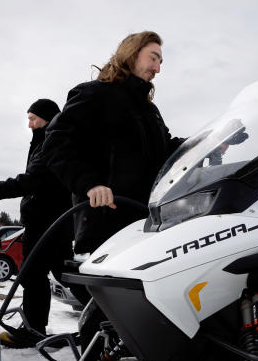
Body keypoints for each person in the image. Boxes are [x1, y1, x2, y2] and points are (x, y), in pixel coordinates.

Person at [40, 30, 184, 255]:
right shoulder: (94, 94)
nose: (158, 69)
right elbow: (54, 143)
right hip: (103, 224)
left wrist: (207, 142)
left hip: (146, 225)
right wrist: (89, 184)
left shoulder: (149, 111)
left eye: (160, 62)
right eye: (153, 58)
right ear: (131, 54)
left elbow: (167, 150)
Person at [0, 99, 72, 348]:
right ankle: (36, 328)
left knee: (37, 274)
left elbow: (30, 181)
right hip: (47, 221)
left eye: (33, 118)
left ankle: (35, 330)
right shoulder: (43, 141)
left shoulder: (51, 141)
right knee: (54, 274)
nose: (29, 124)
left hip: (50, 222)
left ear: (47, 117)